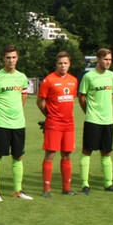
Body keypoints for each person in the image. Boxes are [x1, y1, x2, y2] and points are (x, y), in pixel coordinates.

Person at [0, 45, 31, 201]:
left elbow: (23, 97)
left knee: (18, 157)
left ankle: (18, 190)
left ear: (17, 58)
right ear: (3, 59)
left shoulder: (22, 77)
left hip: (18, 124)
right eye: (8, 57)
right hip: (1, 124)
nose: (11, 60)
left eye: (14, 57)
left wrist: (15, 112)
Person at [77, 48, 113, 193]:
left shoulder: (111, 76)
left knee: (106, 152)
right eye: (105, 59)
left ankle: (108, 184)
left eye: (110, 59)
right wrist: (89, 111)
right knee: (87, 150)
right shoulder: (89, 76)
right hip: (93, 120)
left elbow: (112, 94)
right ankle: (85, 184)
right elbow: (81, 97)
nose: (108, 62)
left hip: (108, 121)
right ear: (98, 59)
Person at [37, 51, 78, 197]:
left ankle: (67, 188)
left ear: (69, 64)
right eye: (60, 63)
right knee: (50, 154)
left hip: (69, 124)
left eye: (65, 63)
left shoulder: (73, 80)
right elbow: (40, 101)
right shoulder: (48, 80)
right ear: (56, 64)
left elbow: (70, 99)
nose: (63, 66)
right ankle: (46, 189)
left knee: (67, 155)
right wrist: (49, 115)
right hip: (54, 123)